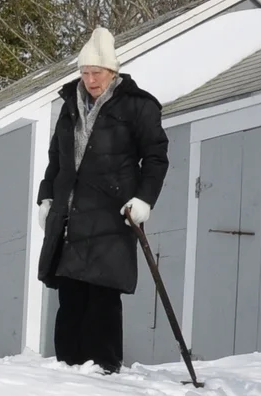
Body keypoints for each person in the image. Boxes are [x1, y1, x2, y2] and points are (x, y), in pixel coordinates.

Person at [35, 27, 167, 373]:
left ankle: (104, 368)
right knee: (71, 292)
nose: (91, 80)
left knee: (102, 292)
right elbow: (56, 158)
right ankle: (67, 367)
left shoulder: (138, 106)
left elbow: (156, 157)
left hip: (112, 212)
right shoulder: (69, 106)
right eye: (85, 72)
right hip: (70, 213)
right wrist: (46, 196)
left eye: (98, 73)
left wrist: (144, 200)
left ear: (113, 72)